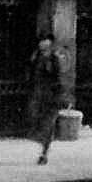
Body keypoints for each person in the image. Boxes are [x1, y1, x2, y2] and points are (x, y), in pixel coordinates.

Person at [26, 32, 64, 165]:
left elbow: (58, 79)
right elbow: (31, 74)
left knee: (47, 125)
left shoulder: (54, 59)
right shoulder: (35, 56)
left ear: (50, 43)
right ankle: (43, 146)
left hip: (50, 96)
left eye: (46, 41)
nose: (43, 44)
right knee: (34, 119)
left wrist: (58, 97)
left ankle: (44, 153)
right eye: (41, 41)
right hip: (37, 94)